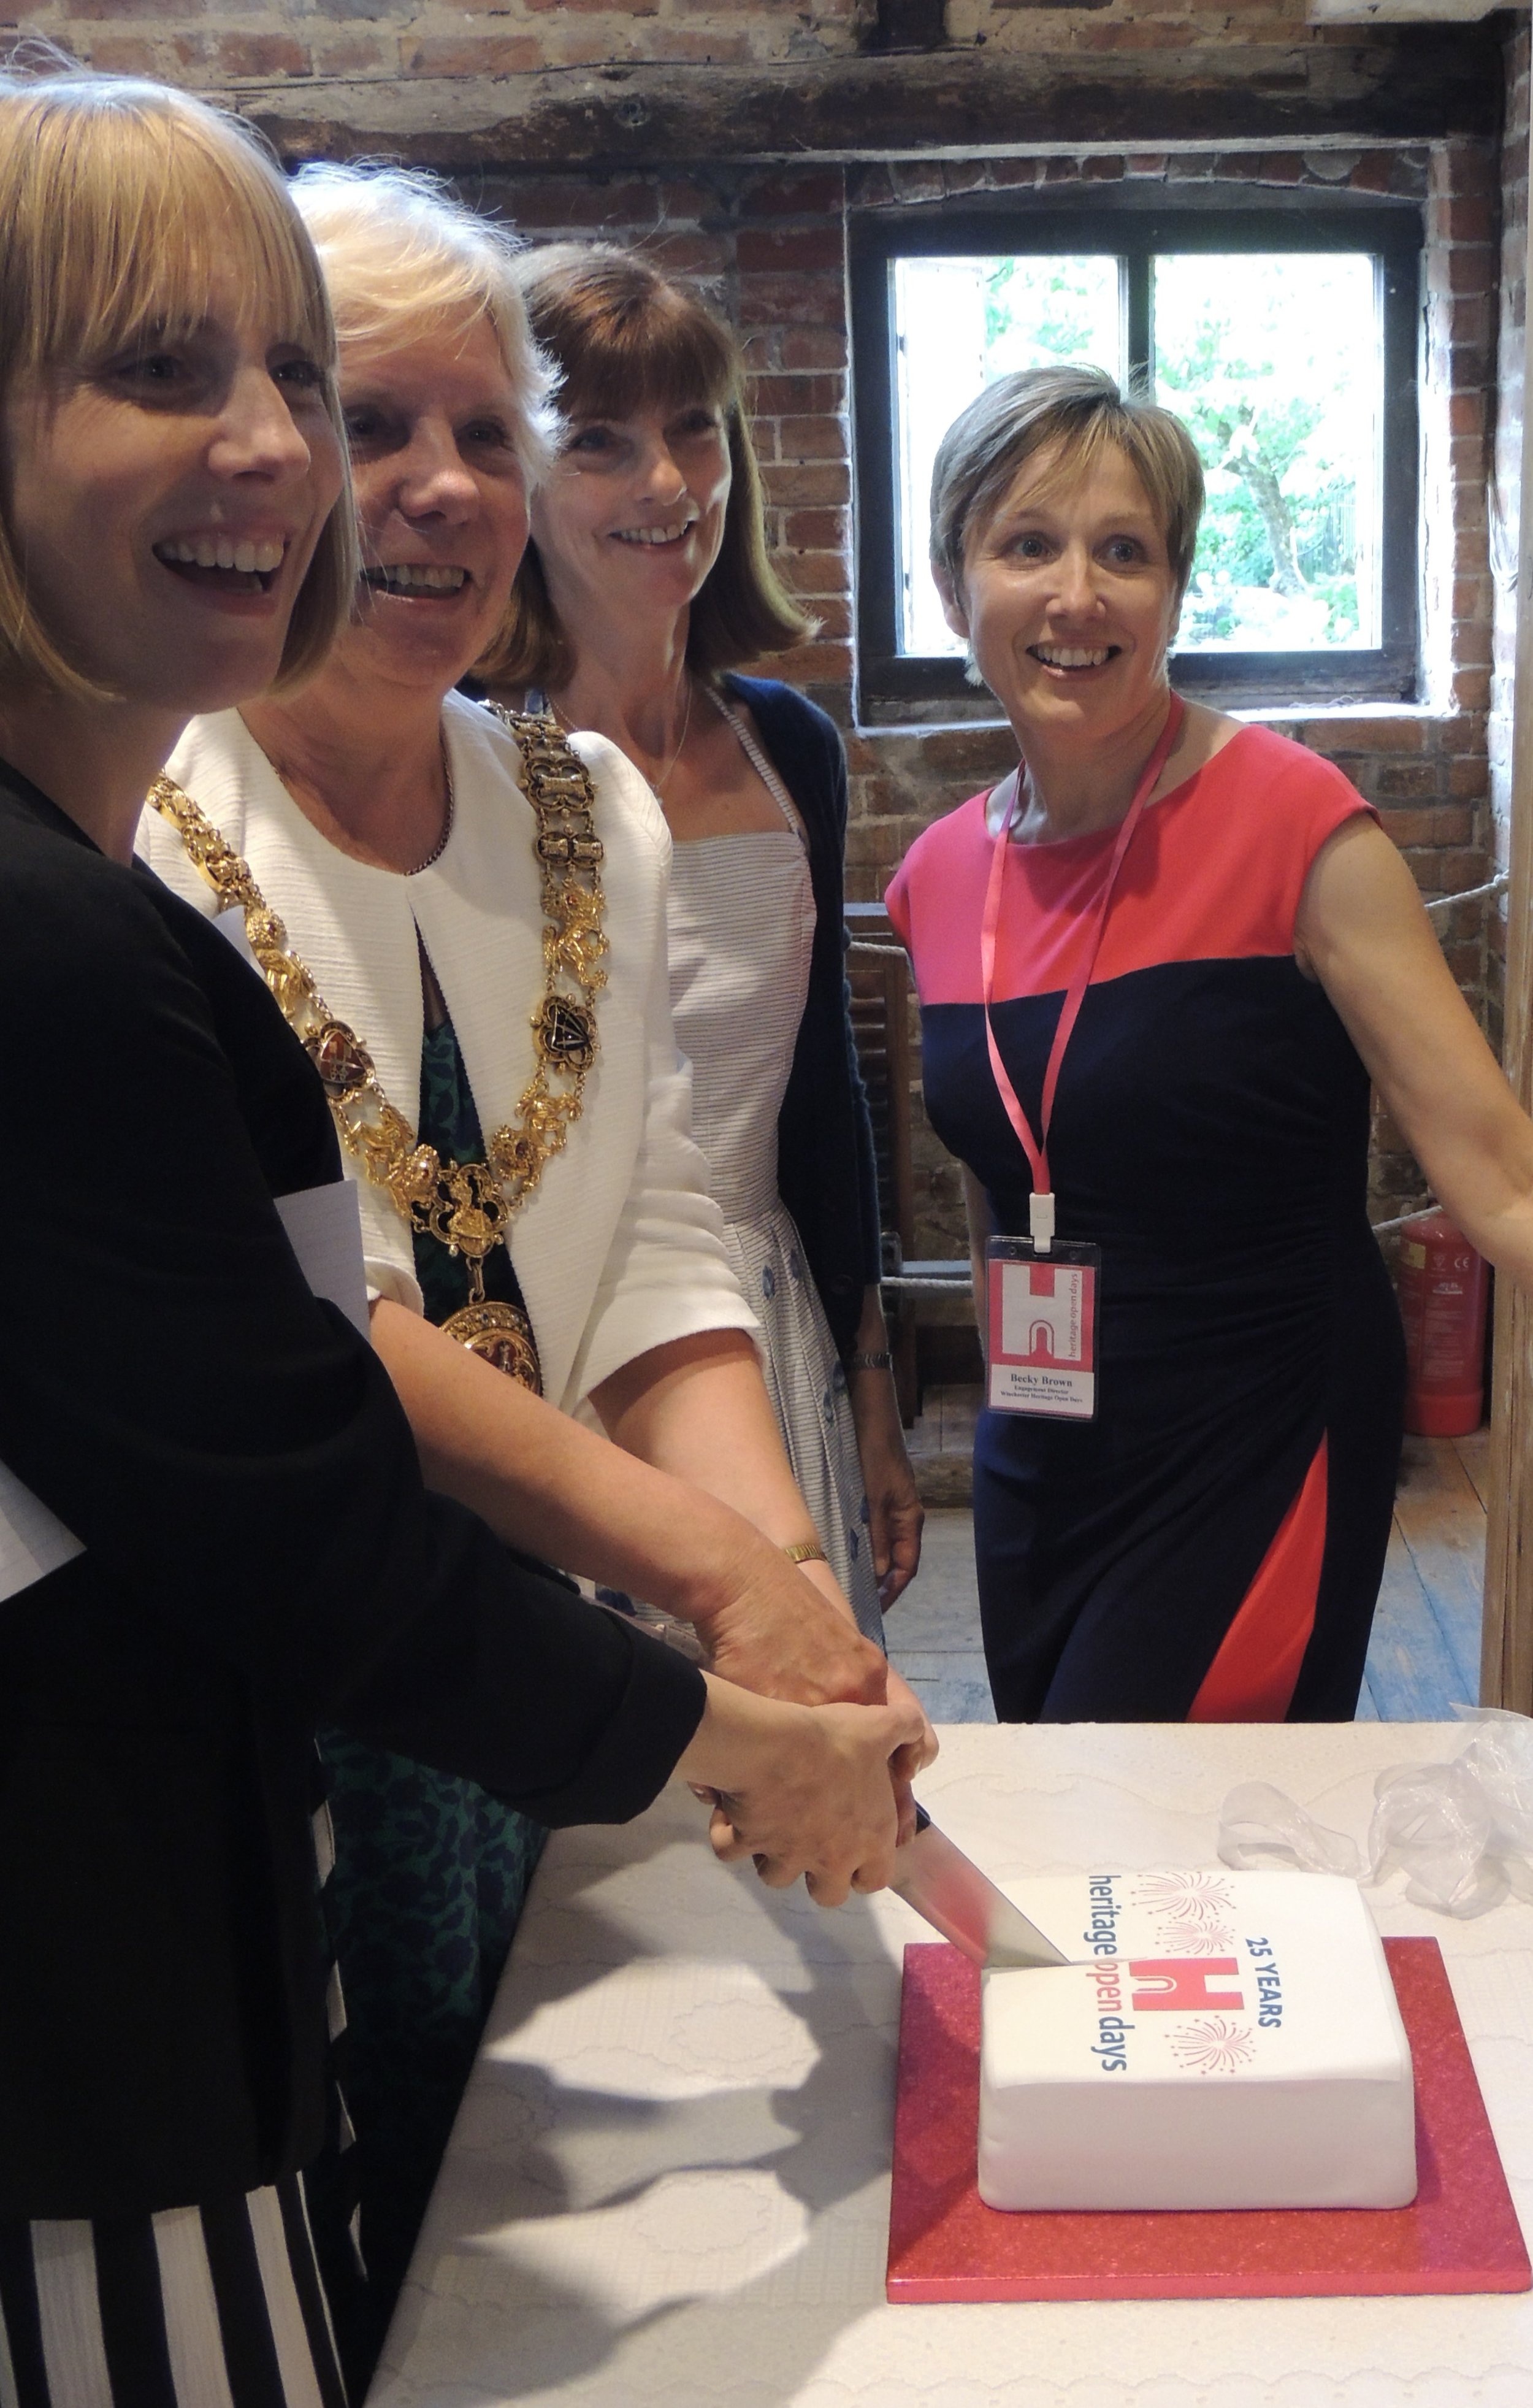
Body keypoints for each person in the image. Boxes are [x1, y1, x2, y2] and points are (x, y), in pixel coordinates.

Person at [0, 73, 923, 2407]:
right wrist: (721, 1654)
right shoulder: (115, 842)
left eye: (448, 423)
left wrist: (770, 1576)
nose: (343, 469)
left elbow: (660, 1235)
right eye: (167, 373)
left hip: (405, 1702)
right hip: (165, 1847)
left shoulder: (554, 794)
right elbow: (318, 1423)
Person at [887, 362, 1533, 1725]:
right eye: (1026, 545)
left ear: (1173, 590)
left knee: (1181, 1837)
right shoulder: (937, 875)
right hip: (1037, 1436)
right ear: (954, 591)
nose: (1076, 596)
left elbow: (1500, 1178)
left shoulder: (1297, 826)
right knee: (1075, 1837)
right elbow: (1011, 1167)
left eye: (1122, 550)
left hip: (1258, 1427)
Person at [494, 240, 923, 1646]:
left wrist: (872, 1394)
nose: (668, 483)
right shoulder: (471, 753)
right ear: (524, 473)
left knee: (792, 1762)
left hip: (765, 1307)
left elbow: (821, 1093)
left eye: (691, 427)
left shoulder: (787, 742)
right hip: (555, 1333)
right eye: (601, 441)